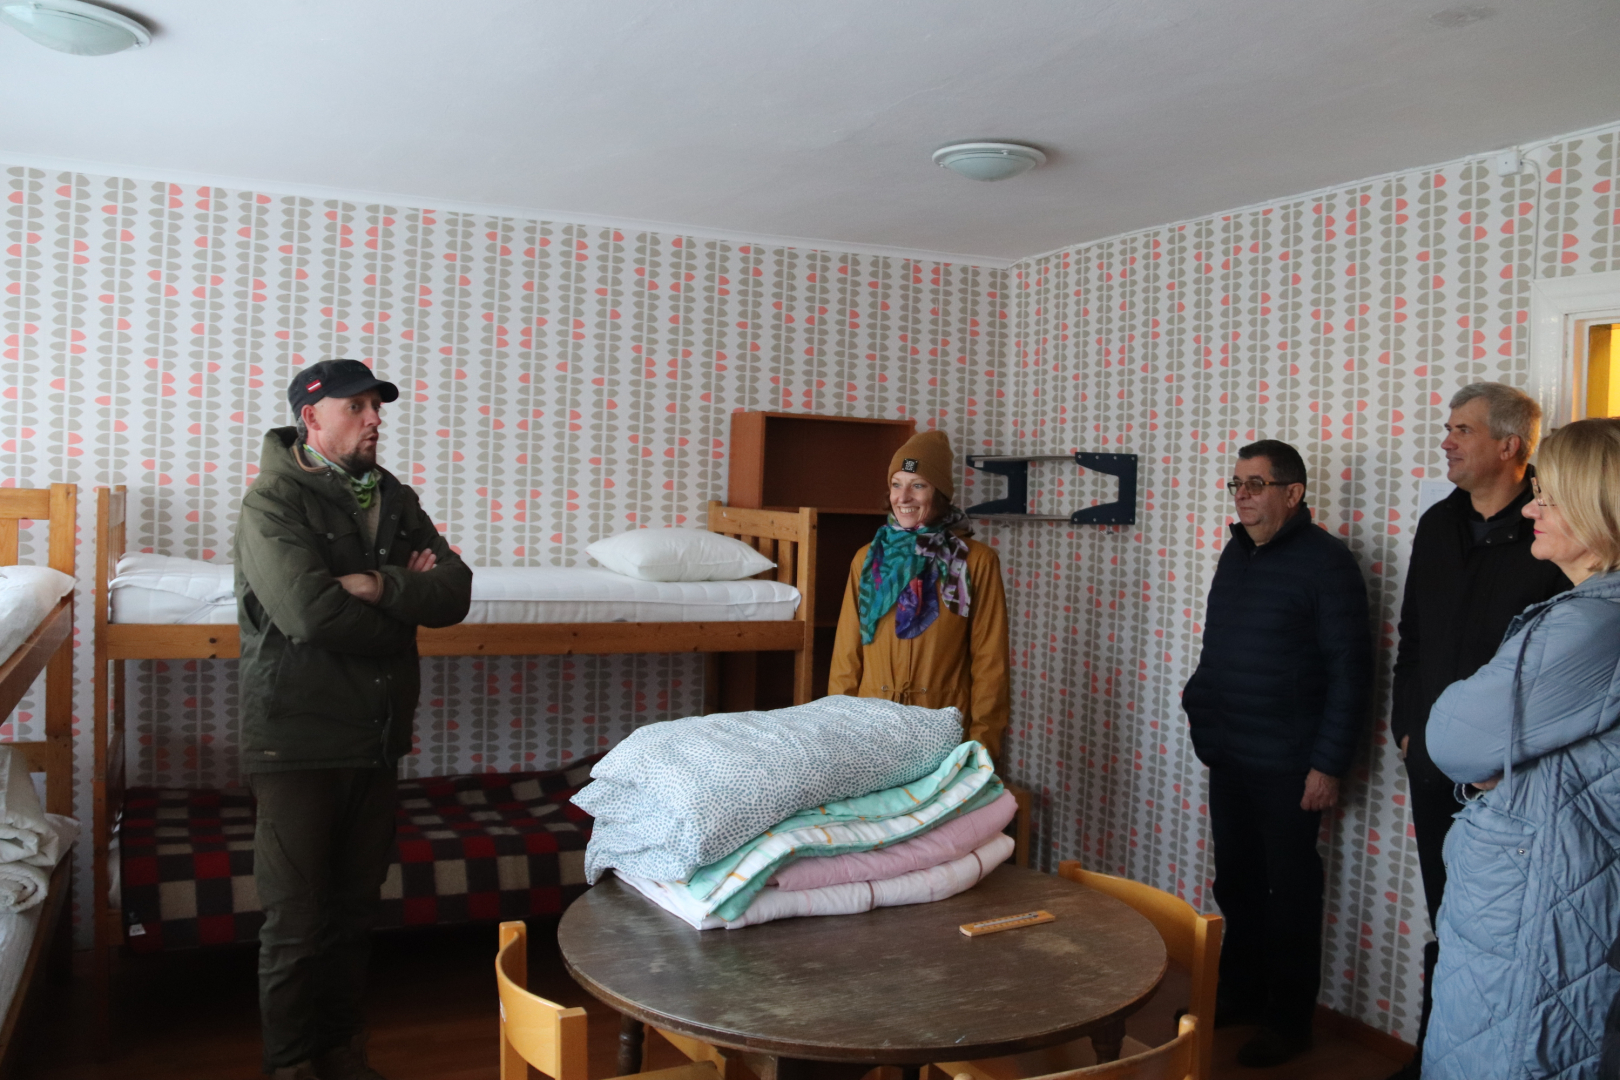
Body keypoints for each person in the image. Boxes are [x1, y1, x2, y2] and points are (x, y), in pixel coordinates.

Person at [235, 359, 472, 1080]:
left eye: (377, 406)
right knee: (297, 921)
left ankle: (342, 1055)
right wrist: (405, 610)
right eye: (358, 407)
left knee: (353, 914)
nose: (375, 419)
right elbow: (310, 615)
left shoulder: (392, 497)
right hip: (298, 739)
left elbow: (455, 591)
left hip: (376, 736)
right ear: (312, 417)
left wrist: (375, 584)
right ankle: (291, 1065)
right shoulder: (274, 502)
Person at [1423, 418, 1620, 1080]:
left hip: (1539, 911)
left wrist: (1497, 767)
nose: (1531, 510)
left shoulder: (1592, 622)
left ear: (1602, 509)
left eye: (1549, 498)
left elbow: (1452, 736)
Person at [1387, 382, 1569, 1079]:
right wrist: (1408, 728)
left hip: (1513, 781)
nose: (1447, 441)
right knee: (1447, 915)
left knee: (1505, 931)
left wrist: (1514, 760)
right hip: (1433, 763)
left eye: (1461, 430)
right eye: (1448, 428)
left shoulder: (1554, 527)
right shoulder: (1438, 522)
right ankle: (1433, 1057)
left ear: (1509, 445)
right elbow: (1412, 635)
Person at [1182, 439, 1371, 1068]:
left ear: (1293, 494)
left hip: (1290, 765)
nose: (1242, 496)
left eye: (1256, 484)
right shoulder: (1235, 553)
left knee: (1289, 894)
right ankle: (1241, 994)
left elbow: (1351, 673)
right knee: (1236, 884)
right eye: (1236, 484)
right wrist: (1200, 706)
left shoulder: (1327, 564)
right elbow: (1218, 647)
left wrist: (1328, 765)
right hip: (1230, 752)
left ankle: (1288, 1023)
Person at [827, 430, 1010, 762]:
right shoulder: (867, 559)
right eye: (896, 484)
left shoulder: (976, 561)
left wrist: (982, 745)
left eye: (918, 485)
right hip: (869, 726)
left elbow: (990, 662)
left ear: (939, 493)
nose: (904, 497)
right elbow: (847, 653)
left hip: (944, 729)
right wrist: (837, 729)